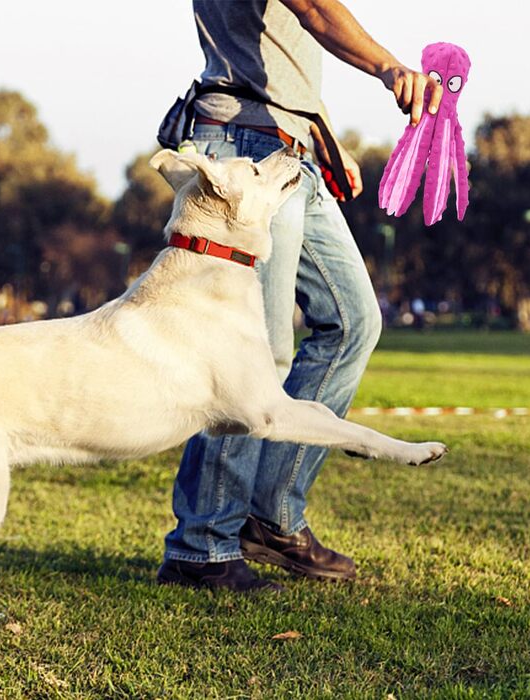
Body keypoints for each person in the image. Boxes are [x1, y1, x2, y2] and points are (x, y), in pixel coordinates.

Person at [157, 0, 443, 592]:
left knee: (353, 321)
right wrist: (389, 68)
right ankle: (202, 546)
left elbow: (279, 51)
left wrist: (320, 136)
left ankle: (272, 517)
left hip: (288, 147)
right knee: (253, 358)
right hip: (245, 147)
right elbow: (312, 7)